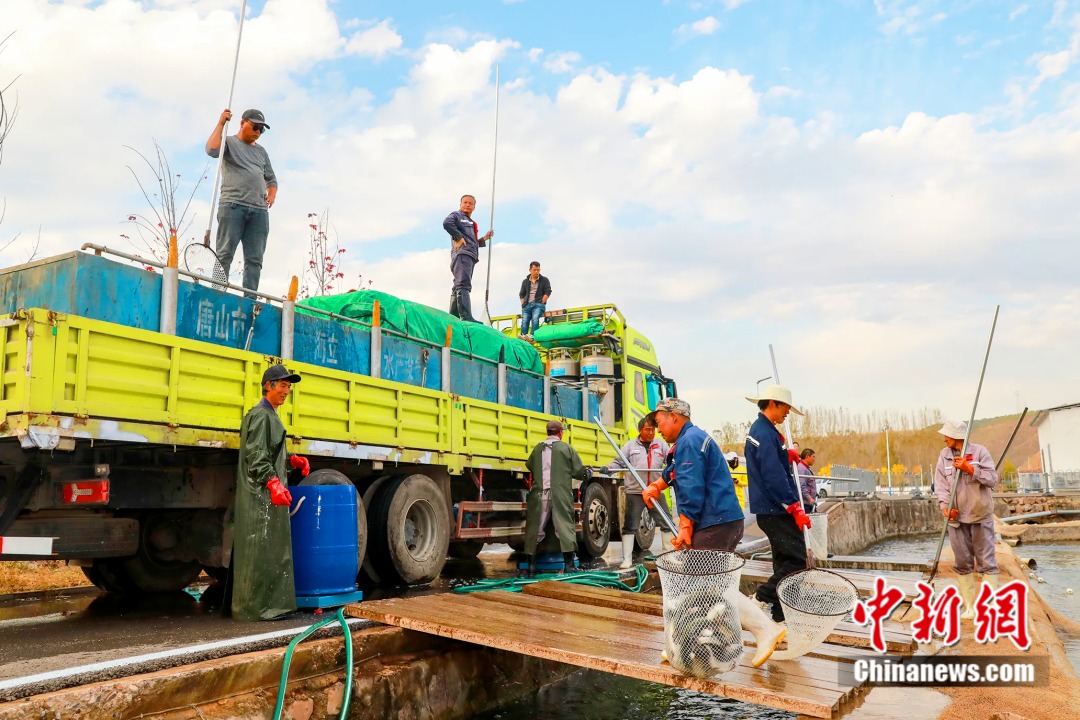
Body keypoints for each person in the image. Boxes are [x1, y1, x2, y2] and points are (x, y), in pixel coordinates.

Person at [640, 398, 785, 667]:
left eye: (659, 421)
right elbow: (675, 470)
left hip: (715, 522)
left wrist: (685, 528)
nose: (657, 428)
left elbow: (691, 487)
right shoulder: (691, 439)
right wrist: (657, 485)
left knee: (706, 583)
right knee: (703, 584)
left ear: (674, 417)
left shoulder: (688, 442)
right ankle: (682, 641)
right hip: (722, 520)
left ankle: (766, 629)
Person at [230, 364, 310, 621]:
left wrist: (290, 459)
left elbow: (269, 451)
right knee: (261, 550)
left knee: (267, 550)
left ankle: (266, 607)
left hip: (263, 494)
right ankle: (258, 609)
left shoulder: (268, 415)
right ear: (268, 386)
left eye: (289, 387)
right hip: (260, 496)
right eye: (283, 385)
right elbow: (256, 456)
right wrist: (273, 483)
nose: (286, 391)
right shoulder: (262, 415)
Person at [744, 384, 810, 623]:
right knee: (798, 561)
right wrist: (793, 506)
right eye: (785, 407)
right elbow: (773, 476)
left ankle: (781, 615)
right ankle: (760, 598)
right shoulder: (765, 433)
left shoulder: (764, 430)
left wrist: (785, 454)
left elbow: (771, 462)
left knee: (783, 561)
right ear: (772, 404)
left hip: (770, 509)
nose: (788, 413)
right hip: (775, 510)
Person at [205, 108, 278, 292]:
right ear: (243, 122)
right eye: (255, 127)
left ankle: (250, 298)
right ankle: (217, 292)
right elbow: (211, 150)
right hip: (233, 206)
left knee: (255, 259)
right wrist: (221, 123)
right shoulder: (229, 142)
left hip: (259, 211)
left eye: (262, 129)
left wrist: (271, 194)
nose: (258, 132)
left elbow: (271, 179)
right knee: (224, 253)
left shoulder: (261, 152)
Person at [934, 419, 999, 620]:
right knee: (962, 562)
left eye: (947, 435)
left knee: (986, 562)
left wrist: (971, 469)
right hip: (956, 518)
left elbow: (993, 479)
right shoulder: (944, 456)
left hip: (980, 515)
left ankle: (988, 608)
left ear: (957, 436)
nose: (944, 439)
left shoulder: (980, 452)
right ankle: (970, 607)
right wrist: (945, 508)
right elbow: (941, 485)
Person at [604, 415, 672, 568]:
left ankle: (668, 557)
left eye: (653, 430)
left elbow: (671, 462)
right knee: (630, 525)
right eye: (648, 430)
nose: (651, 433)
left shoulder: (661, 445)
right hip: (635, 491)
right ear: (640, 430)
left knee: (666, 522)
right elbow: (618, 462)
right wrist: (608, 468)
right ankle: (627, 559)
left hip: (655, 490)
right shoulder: (630, 446)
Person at [524, 420, 590, 575]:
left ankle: (531, 568)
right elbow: (578, 471)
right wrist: (588, 473)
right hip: (560, 494)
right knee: (564, 527)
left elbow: (530, 465)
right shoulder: (566, 448)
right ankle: (569, 566)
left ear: (547, 432)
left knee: (535, 529)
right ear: (560, 433)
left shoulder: (537, 448)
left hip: (540, 494)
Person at [442, 194, 493, 322]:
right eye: (465, 202)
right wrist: (458, 237)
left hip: (469, 255)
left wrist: (484, 238)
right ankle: (466, 316)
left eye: (470, 203)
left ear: (474, 207)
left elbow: (471, 242)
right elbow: (447, 223)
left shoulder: (471, 222)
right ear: (460, 204)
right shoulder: (457, 215)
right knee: (463, 284)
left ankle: (453, 318)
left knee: (458, 285)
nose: (467, 205)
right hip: (462, 254)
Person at [517, 261, 551, 340]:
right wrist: (523, 304)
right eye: (534, 270)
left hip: (538, 304)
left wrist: (542, 301)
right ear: (530, 270)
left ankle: (532, 335)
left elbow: (548, 291)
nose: (536, 272)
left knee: (535, 317)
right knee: (525, 320)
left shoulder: (544, 280)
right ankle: (523, 335)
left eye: (538, 270)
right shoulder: (525, 282)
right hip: (527, 305)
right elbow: (521, 294)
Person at [797, 448, 817, 515]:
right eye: (813, 457)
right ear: (807, 456)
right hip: (806, 504)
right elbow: (801, 485)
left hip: (809, 503)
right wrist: (809, 498)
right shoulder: (802, 469)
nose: (814, 459)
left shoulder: (806, 468)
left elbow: (810, 484)